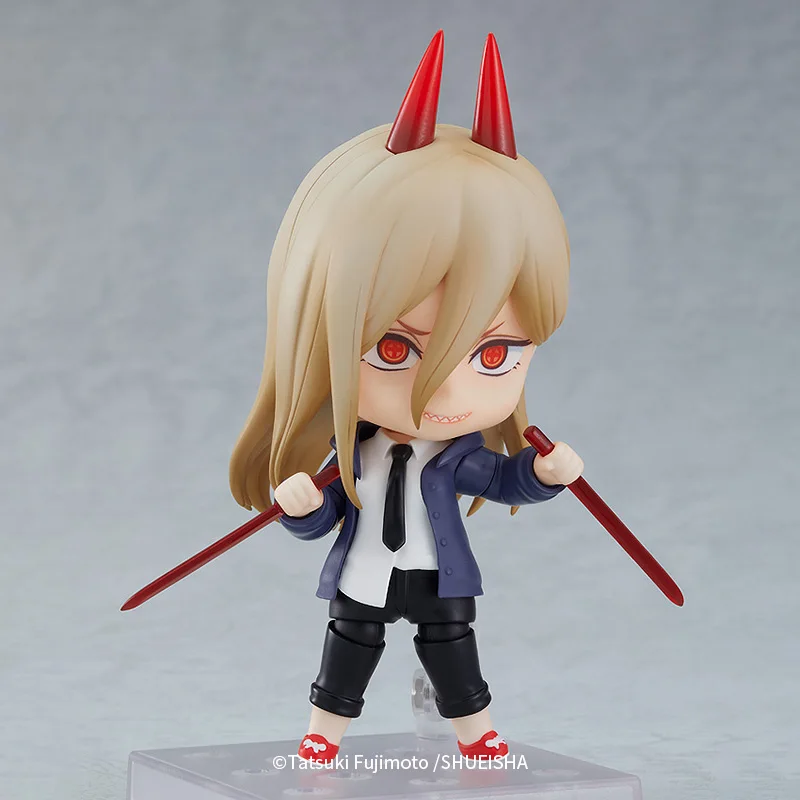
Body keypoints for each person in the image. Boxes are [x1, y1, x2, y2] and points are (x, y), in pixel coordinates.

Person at [229, 31, 583, 761]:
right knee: (347, 647)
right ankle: (322, 737)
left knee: (452, 649)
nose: (443, 392)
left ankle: (476, 735)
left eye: (492, 354)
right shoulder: (350, 451)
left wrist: (545, 475)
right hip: (364, 570)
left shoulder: (457, 458)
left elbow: (504, 478)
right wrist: (301, 507)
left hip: (437, 571)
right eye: (395, 349)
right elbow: (325, 510)